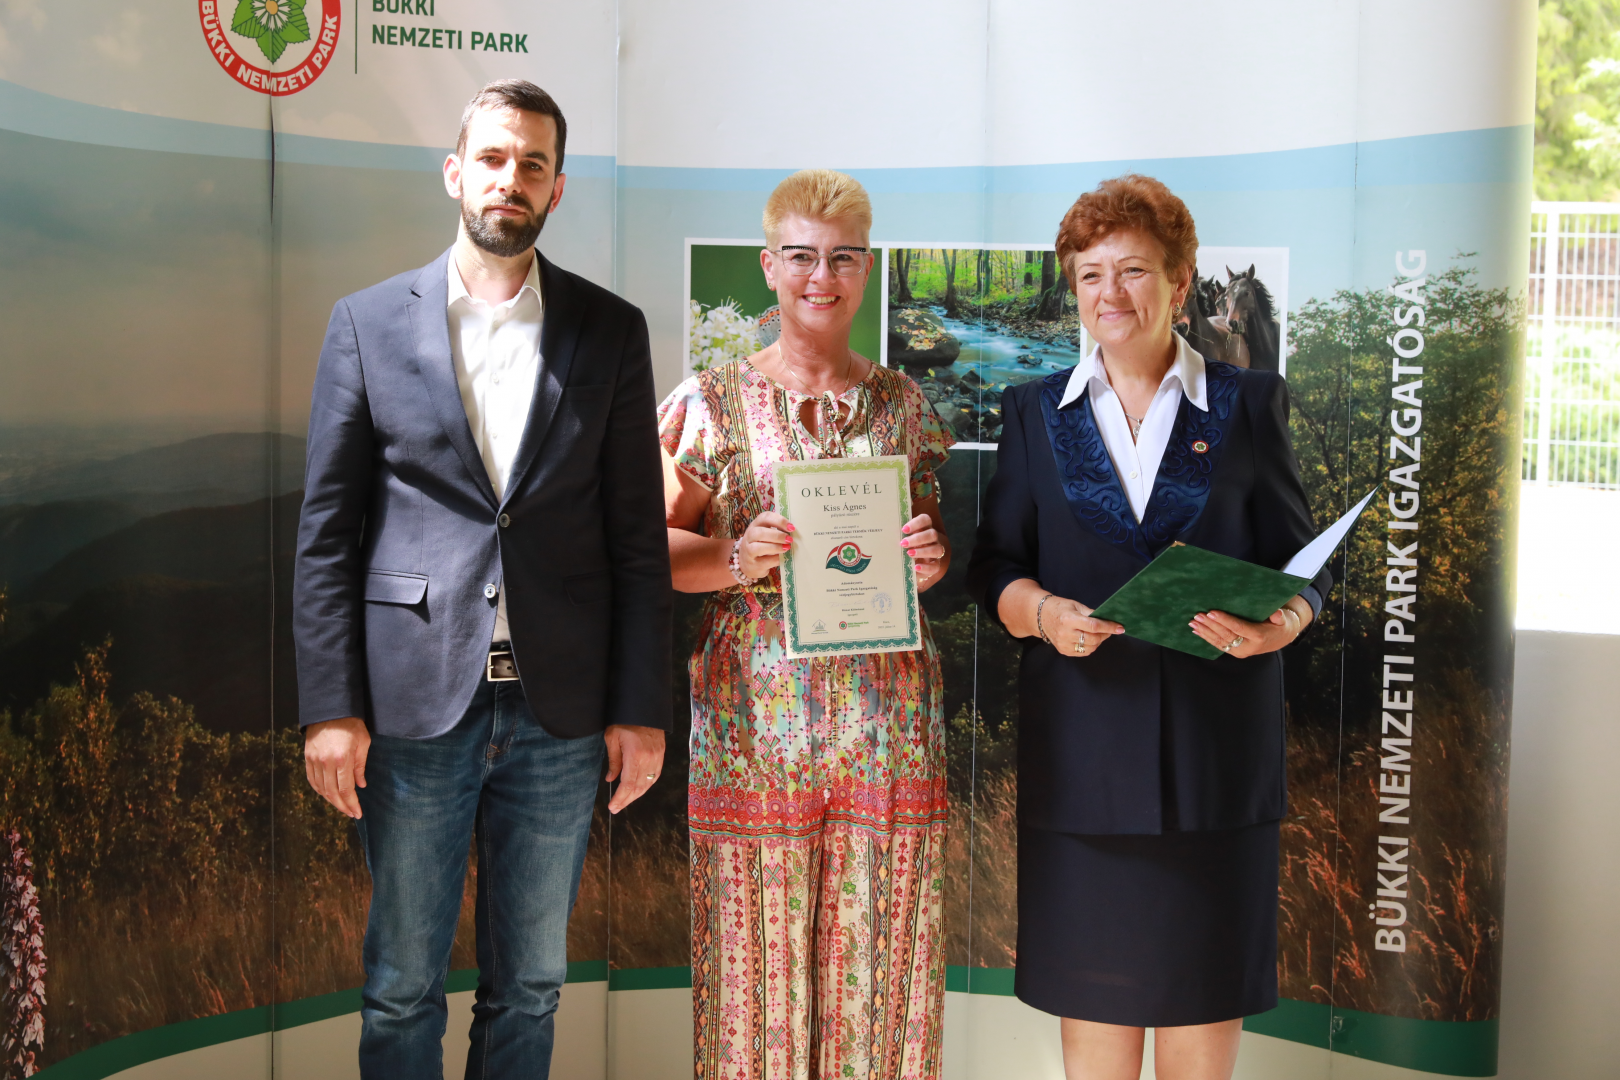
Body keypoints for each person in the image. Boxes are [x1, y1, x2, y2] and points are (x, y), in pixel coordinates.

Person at [293, 80, 671, 1080]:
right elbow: (326, 537)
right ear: (456, 172)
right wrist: (330, 707)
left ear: (556, 189)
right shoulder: (368, 323)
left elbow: (637, 542)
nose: (513, 178)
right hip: (413, 710)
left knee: (531, 987)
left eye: (533, 164)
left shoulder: (610, 330)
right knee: (401, 987)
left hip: (559, 719)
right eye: (495, 158)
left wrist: (640, 711)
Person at [965, 174, 1332, 1080]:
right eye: (1091, 275)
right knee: (1096, 1027)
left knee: (1201, 1011)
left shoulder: (1250, 402)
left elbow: (1306, 562)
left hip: (1216, 768)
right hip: (1083, 768)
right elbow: (996, 567)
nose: (1112, 294)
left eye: (1133, 270)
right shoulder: (1032, 412)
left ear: (1180, 278)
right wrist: (1042, 614)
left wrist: (1283, 624)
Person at [660, 169, 954, 1079]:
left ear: (867, 269)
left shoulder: (905, 404)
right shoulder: (708, 402)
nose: (821, 276)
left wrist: (932, 558)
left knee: (883, 976)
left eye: (842, 258)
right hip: (753, 733)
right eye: (801, 256)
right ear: (769, 266)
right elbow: (652, 553)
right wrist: (734, 556)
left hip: (889, 732)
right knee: (757, 990)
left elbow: (927, 540)